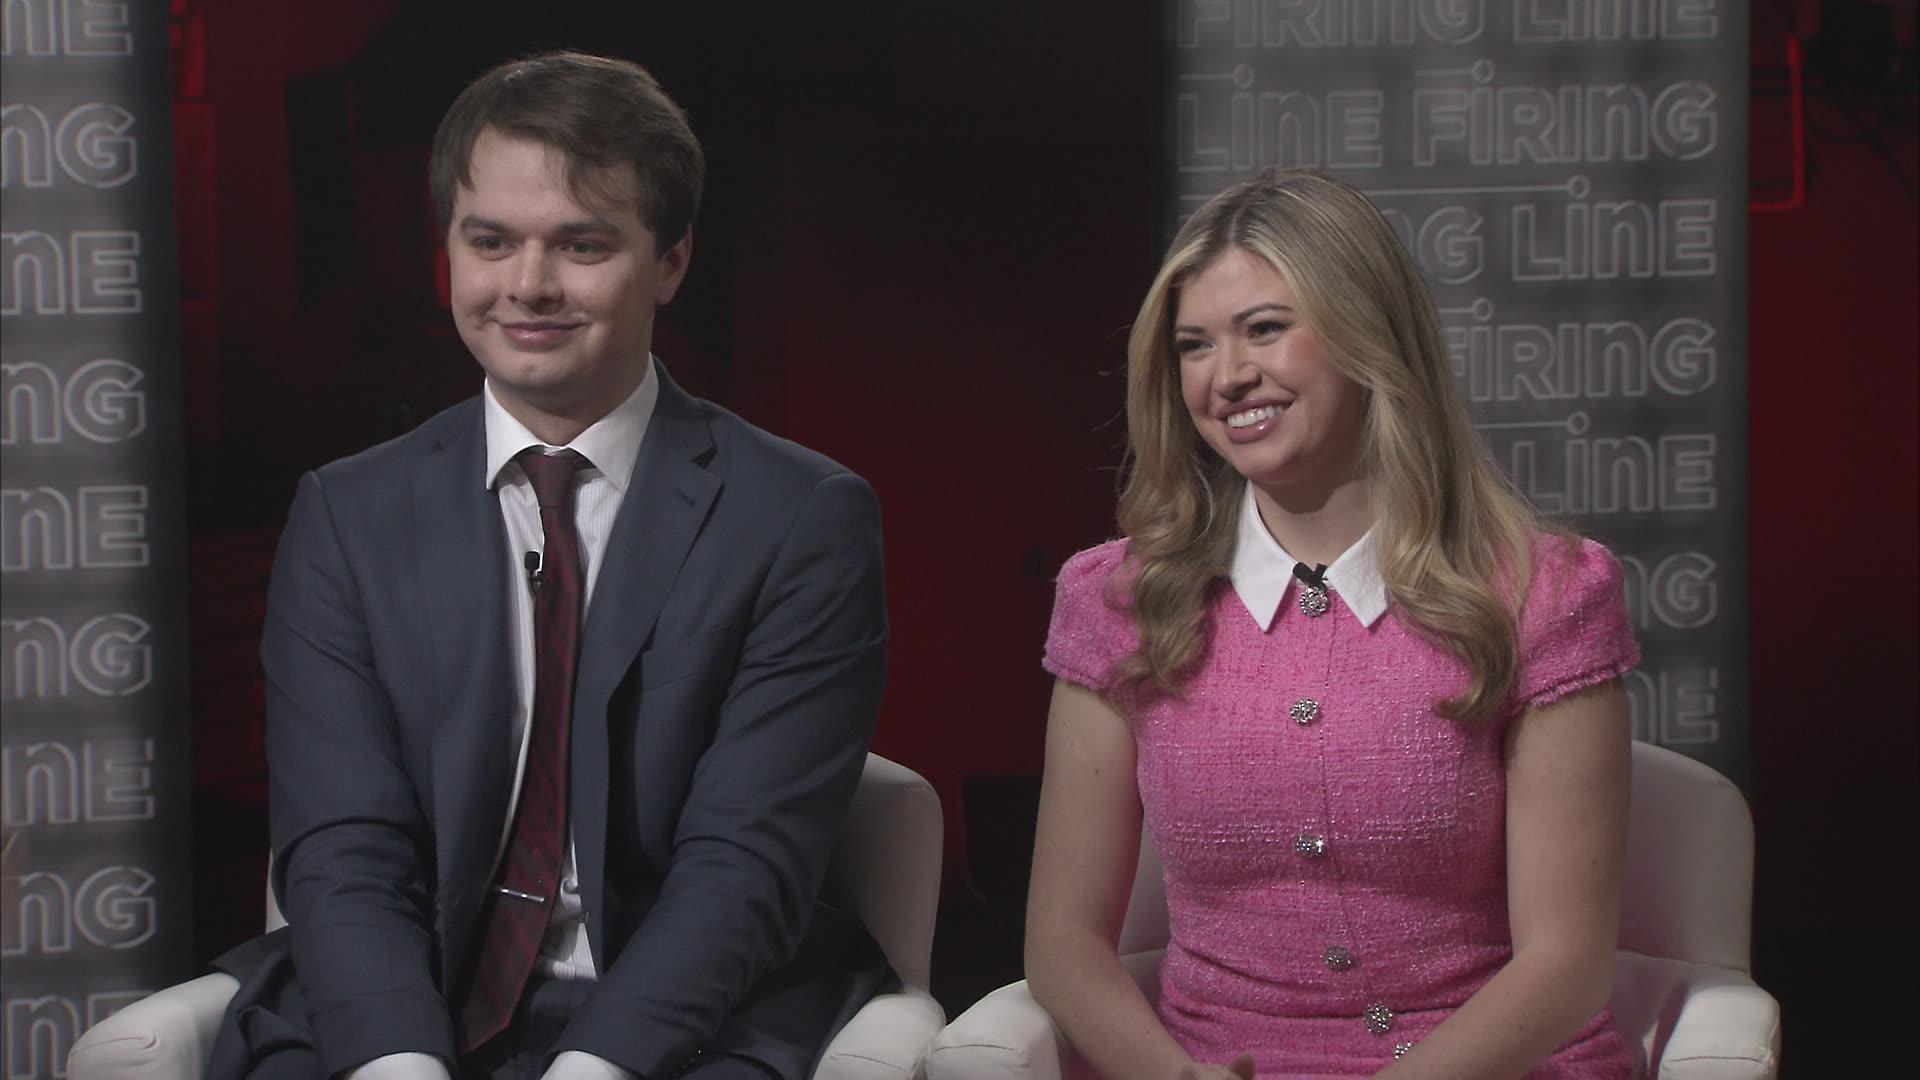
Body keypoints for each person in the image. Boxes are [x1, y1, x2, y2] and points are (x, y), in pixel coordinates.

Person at [208, 51, 891, 1080]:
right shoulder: (348, 514)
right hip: (406, 1009)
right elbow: (344, 850)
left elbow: (744, 867)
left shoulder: (800, 519)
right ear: (448, 252)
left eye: (581, 244)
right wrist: (398, 1065)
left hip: (685, 1026)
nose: (528, 286)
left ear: (669, 262)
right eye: (491, 242)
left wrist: (593, 1068)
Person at [1023, 169, 1640, 1078]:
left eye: (1265, 329)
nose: (1229, 377)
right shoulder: (1117, 600)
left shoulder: (1542, 593)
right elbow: (1064, 944)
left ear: (1367, 336)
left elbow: (1567, 967)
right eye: (1195, 346)